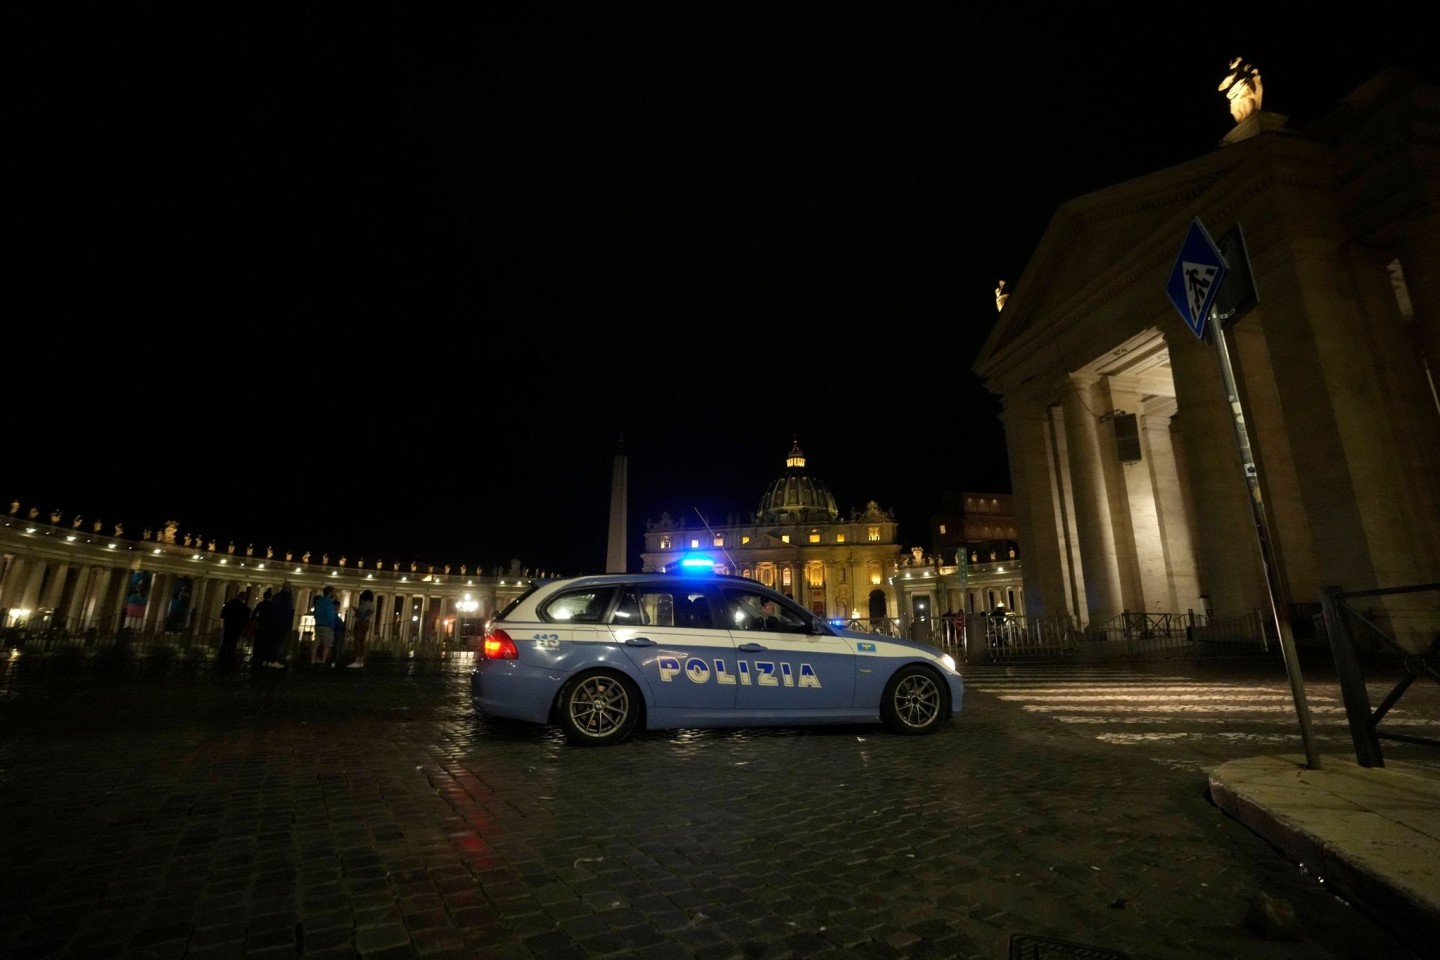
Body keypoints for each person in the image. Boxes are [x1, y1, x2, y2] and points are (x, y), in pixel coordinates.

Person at [264, 581, 297, 668]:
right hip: (281, 623)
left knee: (271, 642)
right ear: (289, 588)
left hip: (274, 622)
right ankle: (273, 660)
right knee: (277, 643)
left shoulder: (276, 596)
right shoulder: (287, 597)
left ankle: (266, 660)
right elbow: (288, 610)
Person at [217, 589, 252, 665]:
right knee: (233, 642)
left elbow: (223, 613)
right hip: (237, 626)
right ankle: (230, 656)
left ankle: (221, 655)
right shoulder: (243, 607)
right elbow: (247, 615)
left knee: (225, 641)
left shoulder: (230, 603)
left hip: (229, 625)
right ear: (243, 598)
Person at [311, 584, 336, 666]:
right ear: (330, 593)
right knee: (327, 645)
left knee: (316, 644)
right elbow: (330, 615)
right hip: (327, 626)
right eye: (333, 592)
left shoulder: (319, 601)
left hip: (318, 624)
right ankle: (323, 662)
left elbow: (315, 612)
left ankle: (313, 661)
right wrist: (332, 625)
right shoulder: (329, 603)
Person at [249, 588, 276, 667]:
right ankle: (264, 657)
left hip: (260, 625)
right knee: (266, 643)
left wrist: (255, 620)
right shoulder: (272, 605)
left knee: (258, 642)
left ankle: (256, 656)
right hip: (268, 627)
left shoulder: (260, 604)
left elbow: (254, 614)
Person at [349, 589, 375, 668]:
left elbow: (363, 613)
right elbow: (369, 613)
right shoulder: (372, 604)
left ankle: (357, 661)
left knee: (357, 641)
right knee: (362, 642)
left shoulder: (364, 604)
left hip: (361, 623)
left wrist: (357, 611)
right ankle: (361, 661)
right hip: (366, 623)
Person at [329, 596, 346, 667]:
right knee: (334, 647)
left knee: (333, 647)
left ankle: (331, 660)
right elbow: (338, 624)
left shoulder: (333, 615)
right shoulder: (334, 616)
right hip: (336, 632)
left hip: (335, 632)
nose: (338, 608)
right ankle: (332, 661)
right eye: (338, 607)